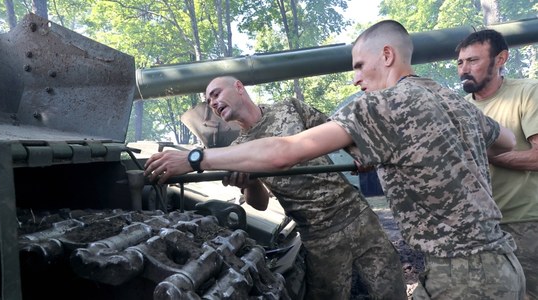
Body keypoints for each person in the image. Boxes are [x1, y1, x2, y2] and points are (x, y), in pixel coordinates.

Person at [145, 20, 525, 299]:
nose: (356, 78)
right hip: (503, 262)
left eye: (359, 65)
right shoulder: (453, 101)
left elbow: (285, 151)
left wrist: (196, 157)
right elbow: (505, 140)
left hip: (461, 275)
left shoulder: (381, 103)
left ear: (387, 56)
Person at [198, 76, 407, 299]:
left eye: (216, 93)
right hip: (318, 237)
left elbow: (333, 130)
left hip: (358, 216)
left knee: (391, 290)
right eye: (208, 100)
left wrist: (359, 154)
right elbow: (259, 204)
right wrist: (251, 184)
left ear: (239, 87)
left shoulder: (289, 108)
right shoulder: (237, 151)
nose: (212, 102)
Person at [456, 29, 538, 299]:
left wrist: (484, 153)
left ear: (501, 59)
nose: (464, 69)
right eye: (460, 62)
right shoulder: (459, 109)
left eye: (473, 61)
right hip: (476, 229)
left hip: (524, 221)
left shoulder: (527, 93)